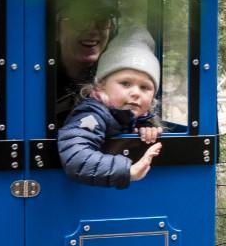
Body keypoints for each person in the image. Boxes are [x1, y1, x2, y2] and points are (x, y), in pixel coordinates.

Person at [58, 26, 164, 187]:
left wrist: (146, 128)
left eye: (145, 87)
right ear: (101, 86)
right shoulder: (91, 115)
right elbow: (76, 157)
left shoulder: (138, 117)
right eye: (125, 83)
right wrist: (127, 171)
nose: (136, 93)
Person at [53, 0, 118, 126]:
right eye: (80, 20)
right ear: (55, 29)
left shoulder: (118, 77)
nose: (92, 30)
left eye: (102, 20)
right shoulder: (35, 81)